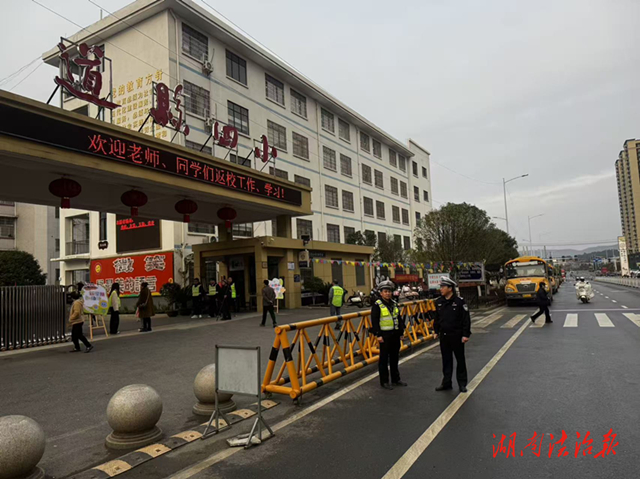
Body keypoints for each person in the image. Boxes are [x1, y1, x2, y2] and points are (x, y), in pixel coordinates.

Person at [433, 277, 470, 393]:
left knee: (460, 360)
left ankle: (462, 383)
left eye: (443, 287)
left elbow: (465, 319)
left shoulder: (459, 302)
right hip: (444, 336)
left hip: (457, 335)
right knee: (446, 360)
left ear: (450, 288)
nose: (441, 289)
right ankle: (446, 382)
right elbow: (437, 318)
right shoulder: (439, 302)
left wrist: (465, 334)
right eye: (441, 287)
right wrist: (436, 331)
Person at [371, 280, 406, 390]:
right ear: (381, 293)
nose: (387, 293)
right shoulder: (377, 305)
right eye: (385, 291)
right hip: (384, 335)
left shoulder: (394, 303)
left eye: (389, 291)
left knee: (395, 358)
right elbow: (375, 321)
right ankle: (384, 381)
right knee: (384, 359)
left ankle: (396, 379)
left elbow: (398, 319)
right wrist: (378, 335)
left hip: (395, 334)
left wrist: (401, 332)